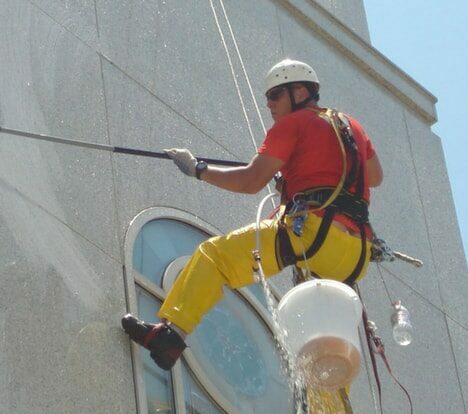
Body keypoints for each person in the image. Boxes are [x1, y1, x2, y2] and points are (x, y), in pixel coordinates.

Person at [122, 58, 383, 372]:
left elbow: (250, 180)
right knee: (319, 330)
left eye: (275, 96)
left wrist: (198, 170)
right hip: (357, 254)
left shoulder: (293, 124)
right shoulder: (352, 127)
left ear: (299, 91)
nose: (269, 105)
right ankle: (325, 409)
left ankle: (170, 335)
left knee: (214, 256)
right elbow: (375, 176)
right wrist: (303, 173)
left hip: (313, 235)